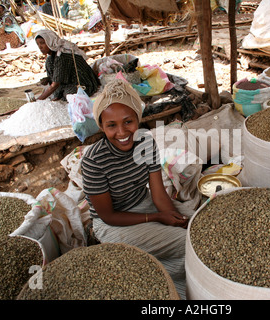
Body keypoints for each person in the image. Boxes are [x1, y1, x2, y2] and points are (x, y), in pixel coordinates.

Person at [81, 79, 194, 299]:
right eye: (111, 125)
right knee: (186, 243)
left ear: (137, 119)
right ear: (102, 126)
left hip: (145, 203)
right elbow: (109, 215)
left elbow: (158, 192)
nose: (122, 132)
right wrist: (157, 218)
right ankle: (174, 290)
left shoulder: (145, 141)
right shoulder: (94, 161)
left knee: (196, 224)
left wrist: (172, 215)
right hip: (112, 224)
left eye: (128, 121)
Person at [34, 29, 100, 101]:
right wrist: (48, 79)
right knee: (56, 89)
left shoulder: (63, 56)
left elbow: (55, 84)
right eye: (38, 44)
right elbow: (58, 76)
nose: (40, 47)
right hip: (69, 82)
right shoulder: (51, 59)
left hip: (84, 83)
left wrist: (38, 100)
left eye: (42, 43)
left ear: (50, 42)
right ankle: (59, 95)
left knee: (68, 93)